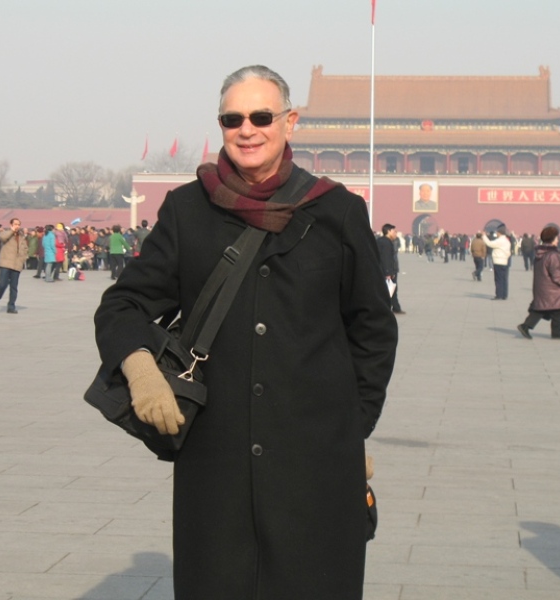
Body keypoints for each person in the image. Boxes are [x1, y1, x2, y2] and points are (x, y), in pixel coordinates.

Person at [93, 64, 398, 600]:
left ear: (289, 121)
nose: (247, 129)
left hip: (316, 460)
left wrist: (353, 431)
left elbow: (372, 330)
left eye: (261, 116)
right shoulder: (189, 209)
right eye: (233, 119)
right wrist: (140, 368)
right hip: (217, 463)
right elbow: (123, 303)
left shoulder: (337, 211)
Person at [517, 226, 560, 340]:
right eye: (556, 238)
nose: (557, 239)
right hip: (553, 288)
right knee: (556, 309)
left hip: (543, 287)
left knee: (547, 308)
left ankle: (550, 330)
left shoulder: (541, 252)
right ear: (552, 239)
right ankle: (552, 331)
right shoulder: (552, 255)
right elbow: (556, 273)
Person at [0, 218, 28, 314]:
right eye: (15, 224)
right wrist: (11, 231)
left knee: (14, 287)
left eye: (18, 224)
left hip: (17, 265)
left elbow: (25, 248)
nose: (17, 226)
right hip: (6, 263)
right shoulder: (6, 233)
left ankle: (11, 306)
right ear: (11, 225)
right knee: (2, 284)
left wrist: (23, 259)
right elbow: (2, 238)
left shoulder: (22, 236)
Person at [377, 223, 405, 314]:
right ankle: (387, 308)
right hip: (387, 271)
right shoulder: (386, 242)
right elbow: (386, 258)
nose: (396, 234)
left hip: (387, 270)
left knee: (392, 289)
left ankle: (395, 307)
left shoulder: (382, 241)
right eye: (394, 231)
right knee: (389, 290)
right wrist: (388, 272)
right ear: (388, 231)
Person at [481, 226, 511, 299]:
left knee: (498, 279)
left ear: (499, 233)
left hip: (498, 261)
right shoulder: (507, 241)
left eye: (497, 232)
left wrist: (484, 236)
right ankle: (504, 295)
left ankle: (499, 295)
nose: (496, 234)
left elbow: (490, 244)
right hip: (505, 261)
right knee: (504, 279)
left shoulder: (500, 240)